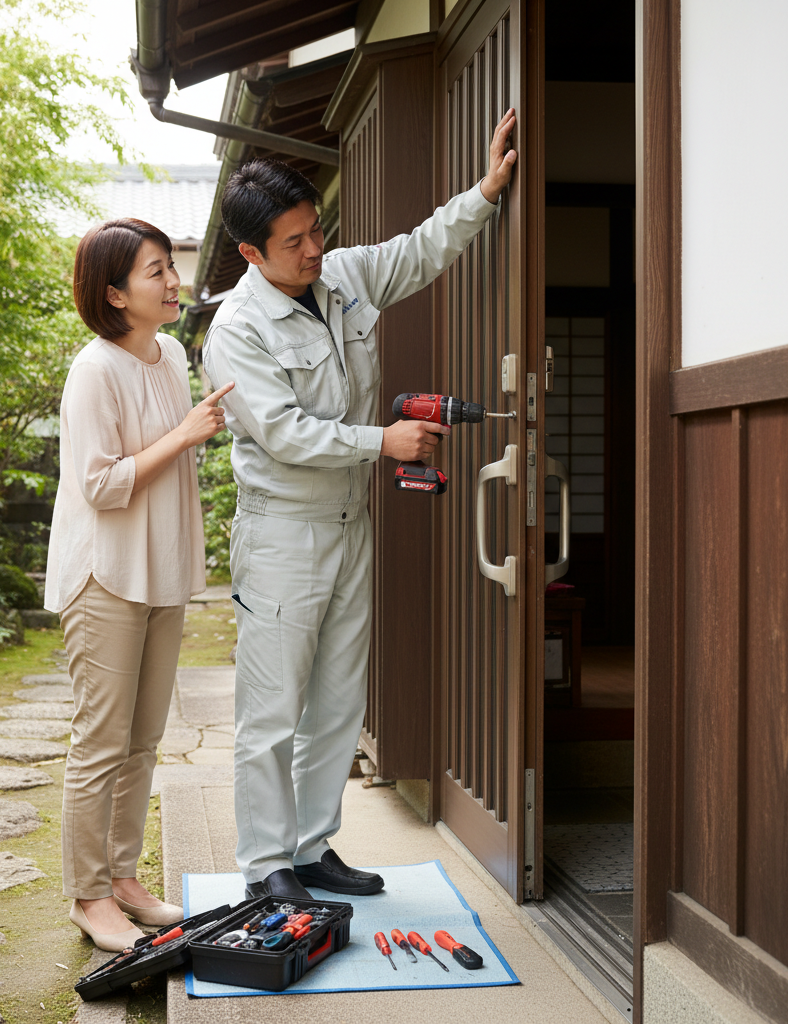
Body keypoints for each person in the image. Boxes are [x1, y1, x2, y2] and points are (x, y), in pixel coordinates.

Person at [202, 110, 518, 900]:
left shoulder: (340, 277)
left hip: (350, 525)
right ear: (251, 253)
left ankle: (311, 849)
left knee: (339, 703)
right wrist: (385, 442)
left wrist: (484, 192)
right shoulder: (236, 330)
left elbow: (417, 251)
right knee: (272, 710)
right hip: (282, 534)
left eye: (316, 229)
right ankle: (266, 866)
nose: (314, 249)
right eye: (294, 242)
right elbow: (283, 432)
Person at [45, 218, 234, 950]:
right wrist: (184, 434)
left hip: (159, 570)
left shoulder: (173, 355)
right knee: (101, 742)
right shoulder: (94, 370)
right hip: (106, 574)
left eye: (170, 267)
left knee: (144, 740)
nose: (173, 281)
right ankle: (88, 895)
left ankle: (122, 878)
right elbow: (98, 484)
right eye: (157, 271)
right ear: (115, 293)